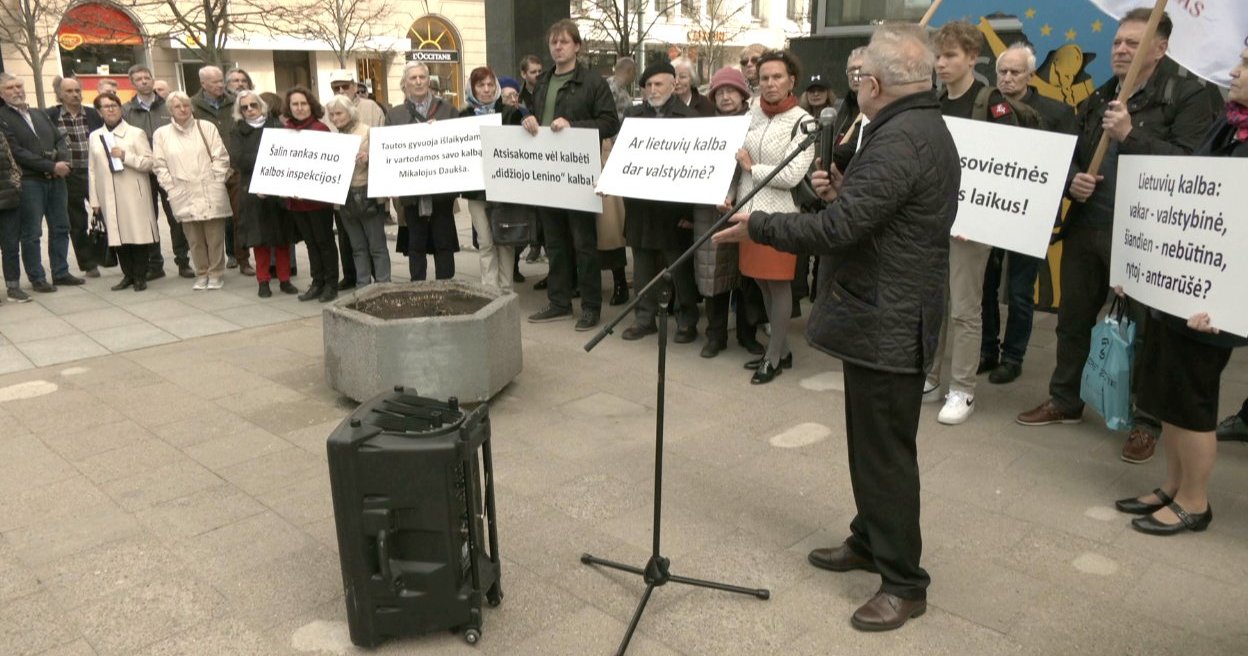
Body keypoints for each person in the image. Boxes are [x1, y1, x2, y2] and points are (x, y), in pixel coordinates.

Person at [714, 23, 958, 631]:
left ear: (874, 83)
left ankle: (905, 582)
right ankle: (870, 538)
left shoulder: (904, 137)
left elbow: (835, 233)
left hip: (891, 316)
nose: (856, 88)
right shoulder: (908, 126)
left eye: (858, 79)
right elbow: (870, 215)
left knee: (885, 454)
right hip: (883, 307)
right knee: (869, 442)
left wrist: (761, 225)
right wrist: (842, 191)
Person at [1016, 9, 1216, 465]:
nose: (1121, 49)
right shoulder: (1103, 94)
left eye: (1133, 43)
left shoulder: (1185, 96)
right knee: (1073, 317)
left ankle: (1145, 421)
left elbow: (1193, 168)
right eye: (1118, 42)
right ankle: (1065, 399)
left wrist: (1132, 134)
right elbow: (1069, 153)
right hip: (1090, 226)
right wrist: (1073, 180)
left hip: (1149, 235)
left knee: (1146, 331)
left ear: (1161, 48)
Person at [1114, 46, 1248, 533]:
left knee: (1193, 400)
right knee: (1166, 391)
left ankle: (1194, 501)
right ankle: (1172, 484)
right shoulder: (1229, 123)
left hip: (1215, 302)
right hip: (1181, 288)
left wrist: (1223, 295)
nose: (1235, 70)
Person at [926, 21, 1041, 425]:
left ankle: (962, 389)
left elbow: (1008, 164)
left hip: (972, 225)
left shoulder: (991, 103)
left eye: (951, 56)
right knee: (935, 303)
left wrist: (981, 216)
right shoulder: (936, 100)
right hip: (936, 220)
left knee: (965, 307)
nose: (941, 63)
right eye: (938, 55)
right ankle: (931, 375)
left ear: (973, 58)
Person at [978, 43, 1077, 385]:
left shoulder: (1057, 112)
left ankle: (1013, 357)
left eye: (1015, 72)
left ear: (1031, 75)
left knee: (1020, 291)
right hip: (988, 209)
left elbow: (1067, 163)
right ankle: (987, 350)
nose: (1007, 78)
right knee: (984, 286)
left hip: (1030, 214)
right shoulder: (985, 108)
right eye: (1002, 72)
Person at [521, 19, 620, 331]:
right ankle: (559, 302)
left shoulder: (592, 82)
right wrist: (530, 120)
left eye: (564, 42)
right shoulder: (543, 81)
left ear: (577, 46)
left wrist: (573, 125)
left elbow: (609, 122)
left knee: (583, 243)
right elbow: (538, 118)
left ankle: (590, 307)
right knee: (555, 243)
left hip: (578, 172)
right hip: (548, 173)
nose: (558, 47)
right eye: (554, 43)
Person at [732, 49, 812, 384]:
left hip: (779, 217)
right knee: (762, 284)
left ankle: (774, 356)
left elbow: (793, 174)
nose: (770, 83)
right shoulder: (751, 113)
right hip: (748, 213)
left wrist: (754, 167)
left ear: (791, 80)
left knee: (778, 286)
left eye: (777, 77)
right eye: (764, 77)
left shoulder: (803, 121)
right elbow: (735, 159)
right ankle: (781, 349)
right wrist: (732, 193)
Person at [619, 62, 700, 344]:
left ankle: (687, 321)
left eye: (659, 84)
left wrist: (690, 212)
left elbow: (697, 168)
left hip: (673, 210)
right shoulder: (633, 116)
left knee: (678, 268)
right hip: (640, 207)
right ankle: (644, 318)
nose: (653, 90)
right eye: (648, 85)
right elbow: (622, 157)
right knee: (641, 266)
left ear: (673, 85)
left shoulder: (689, 118)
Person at [0, 73, 84, 295]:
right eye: (10, 88)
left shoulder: (38, 113)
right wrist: (50, 166)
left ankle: (60, 271)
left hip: (56, 180)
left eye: (19, 86)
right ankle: (37, 277)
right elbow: (16, 151)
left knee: (61, 226)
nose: (17, 90)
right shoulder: (3, 117)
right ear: (1, 93)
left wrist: (62, 161)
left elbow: (59, 139)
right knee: (32, 232)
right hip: (30, 182)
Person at [384, 62, 459, 281]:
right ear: (405, 84)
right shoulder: (395, 115)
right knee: (415, 245)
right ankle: (418, 289)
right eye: (412, 78)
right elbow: (389, 153)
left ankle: (446, 288)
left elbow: (459, 146)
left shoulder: (447, 110)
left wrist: (442, 133)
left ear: (428, 81)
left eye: (422, 77)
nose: (417, 82)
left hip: (442, 192)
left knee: (443, 243)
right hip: (411, 193)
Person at [152, 91, 232, 291]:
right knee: (194, 239)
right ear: (170, 110)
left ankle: (216, 272)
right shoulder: (161, 134)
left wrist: (216, 179)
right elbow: (159, 164)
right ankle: (201, 272)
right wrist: (170, 186)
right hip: (182, 191)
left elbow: (221, 156)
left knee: (214, 236)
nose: (182, 109)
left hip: (209, 187)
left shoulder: (206, 127)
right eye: (177, 106)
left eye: (186, 105)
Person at [696, 66, 750, 359]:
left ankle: (746, 333)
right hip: (709, 212)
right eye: (720, 92)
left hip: (745, 205)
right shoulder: (704, 127)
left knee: (745, 275)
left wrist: (731, 194)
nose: (726, 97)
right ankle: (715, 335)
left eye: (732, 91)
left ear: (743, 95)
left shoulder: (754, 125)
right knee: (713, 274)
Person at [125, 64, 193, 279]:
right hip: (142, 172)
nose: (144, 81)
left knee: (176, 216)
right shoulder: (127, 110)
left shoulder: (169, 106)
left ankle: (183, 261)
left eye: (147, 77)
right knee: (148, 218)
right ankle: (155, 264)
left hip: (170, 170)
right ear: (132, 83)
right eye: (139, 79)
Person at [230, 90, 300, 298]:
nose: (250, 109)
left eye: (254, 105)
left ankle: (285, 279)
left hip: (278, 190)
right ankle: (263, 281)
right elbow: (239, 159)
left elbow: (287, 153)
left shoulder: (277, 126)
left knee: (282, 238)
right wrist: (268, 155)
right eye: (245, 107)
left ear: (261, 106)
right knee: (259, 241)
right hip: (253, 190)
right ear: (240, 111)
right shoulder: (237, 130)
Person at [87, 92, 157, 291]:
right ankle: (127, 275)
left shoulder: (135, 133)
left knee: (136, 234)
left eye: (114, 105)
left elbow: (149, 162)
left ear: (120, 108)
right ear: (99, 112)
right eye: (106, 107)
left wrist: (126, 156)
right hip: (107, 194)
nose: (110, 109)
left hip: (133, 193)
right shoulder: (95, 136)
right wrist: (94, 199)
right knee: (118, 237)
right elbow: (92, 169)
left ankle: (140, 276)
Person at [459, 66, 519, 291]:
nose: (486, 89)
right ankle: (489, 290)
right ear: (472, 88)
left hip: (503, 188)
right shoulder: (463, 116)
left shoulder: (511, 112)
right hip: (476, 189)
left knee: (505, 241)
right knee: (485, 242)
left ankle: (506, 289)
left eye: (490, 85)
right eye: (480, 85)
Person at [192, 65, 254, 276]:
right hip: (208, 170)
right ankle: (214, 262)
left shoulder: (235, 104)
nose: (220, 85)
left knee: (240, 215)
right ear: (203, 84)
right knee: (213, 217)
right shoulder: (193, 106)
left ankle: (242, 258)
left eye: (221, 81)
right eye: (215, 82)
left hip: (235, 168)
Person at [325, 95, 389, 291]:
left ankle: (383, 285)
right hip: (344, 197)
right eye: (332, 115)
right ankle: (363, 286)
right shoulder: (334, 138)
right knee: (357, 246)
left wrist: (369, 159)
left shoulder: (368, 132)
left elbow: (385, 161)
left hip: (367, 193)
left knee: (376, 245)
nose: (335, 118)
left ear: (350, 112)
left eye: (339, 113)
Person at [281, 87, 339, 302]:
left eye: (303, 103)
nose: (299, 108)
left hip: (318, 200)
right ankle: (317, 282)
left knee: (324, 242)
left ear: (310, 105)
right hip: (296, 201)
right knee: (310, 243)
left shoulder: (320, 129)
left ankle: (331, 283)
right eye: (295, 104)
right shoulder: (285, 131)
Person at [47, 76, 104, 280]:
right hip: (69, 176)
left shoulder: (92, 114)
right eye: (69, 91)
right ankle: (88, 263)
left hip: (94, 172)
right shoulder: (51, 116)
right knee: (77, 221)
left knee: (106, 214)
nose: (74, 95)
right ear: (60, 94)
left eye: (77, 90)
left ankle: (109, 255)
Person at [0, 121, 22, 305]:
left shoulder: (2, 130)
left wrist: (16, 183)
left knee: (11, 246)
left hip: (8, 198)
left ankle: (13, 287)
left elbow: (11, 159)